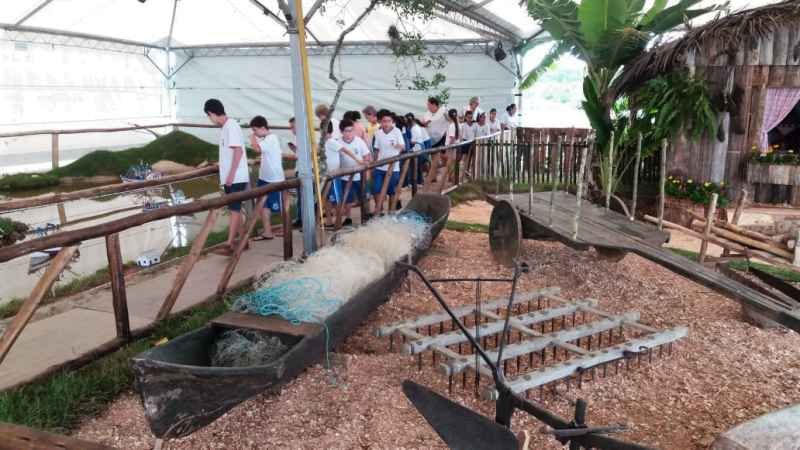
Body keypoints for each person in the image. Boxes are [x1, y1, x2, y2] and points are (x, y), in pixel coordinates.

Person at [204, 98, 250, 255]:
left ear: (211, 113)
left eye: (208, 116)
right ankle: (244, 241)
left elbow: (238, 152)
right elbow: (230, 153)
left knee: (234, 210)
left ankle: (230, 244)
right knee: (235, 210)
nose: (209, 119)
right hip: (232, 176)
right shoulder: (225, 128)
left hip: (235, 177)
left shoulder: (231, 126)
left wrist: (230, 175)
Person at [250, 116, 295, 240]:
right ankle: (267, 231)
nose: (254, 133)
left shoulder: (271, 138)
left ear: (263, 128)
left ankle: (287, 228)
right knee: (263, 205)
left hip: (275, 179)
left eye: (255, 130)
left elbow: (257, 149)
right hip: (264, 177)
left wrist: (252, 138)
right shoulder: (266, 139)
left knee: (280, 206)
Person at [330, 118, 371, 225]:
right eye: (346, 131)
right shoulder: (337, 142)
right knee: (347, 198)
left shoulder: (359, 141)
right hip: (344, 176)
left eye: (351, 130)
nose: (349, 133)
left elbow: (366, 155)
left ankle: (366, 214)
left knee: (364, 195)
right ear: (341, 131)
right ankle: (348, 218)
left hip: (359, 175)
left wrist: (366, 165)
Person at [372, 109, 405, 214]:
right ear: (381, 122)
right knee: (376, 189)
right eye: (384, 121)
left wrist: (396, 145)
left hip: (393, 167)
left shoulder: (397, 131)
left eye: (388, 121)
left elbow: (403, 147)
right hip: (380, 166)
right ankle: (379, 210)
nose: (386, 123)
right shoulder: (377, 133)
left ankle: (391, 212)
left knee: (392, 191)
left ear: (392, 121)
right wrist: (374, 162)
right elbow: (376, 149)